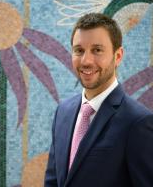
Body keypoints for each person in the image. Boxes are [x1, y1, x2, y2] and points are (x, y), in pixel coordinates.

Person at [44, 13, 153, 187]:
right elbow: (53, 181)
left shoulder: (138, 122)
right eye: (79, 50)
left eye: (97, 50)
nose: (86, 61)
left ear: (118, 56)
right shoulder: (63, 112)